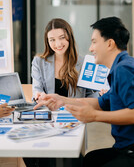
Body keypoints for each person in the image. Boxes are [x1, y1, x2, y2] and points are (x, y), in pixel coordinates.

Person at [35, 16, 134, 167]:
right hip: (125, 147)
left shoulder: (125, 69)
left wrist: (94, 116)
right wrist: (63, 100)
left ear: (109, 44)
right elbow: (99, 103)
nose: (90, 48)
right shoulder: (120, 67)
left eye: (94, 42)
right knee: (90, 159)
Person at [24, 18, 98, 167]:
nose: (57, 44)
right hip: (47, 120)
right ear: (47, 41)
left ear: (69, 37)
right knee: (34, 155)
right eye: (52, 40)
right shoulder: (39, 62)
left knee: (71, 160)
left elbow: (93, 94)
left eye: (61, 38)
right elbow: (37, 89)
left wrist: (100, 94)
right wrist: (39, 95)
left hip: (73, 120)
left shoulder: (84, 62)